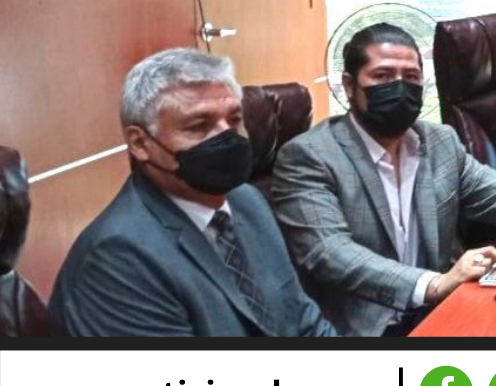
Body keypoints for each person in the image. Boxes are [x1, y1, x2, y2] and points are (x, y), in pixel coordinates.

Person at [272, 23, 496, 337]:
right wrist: (434, 284)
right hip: (369, 327)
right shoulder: (310, 156)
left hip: (445, 308)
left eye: (410, 77)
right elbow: (331, 253)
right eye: (382, 76)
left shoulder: (438, 142)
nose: (399, 87)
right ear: (350, 85)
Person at [50, 49, 336, 336]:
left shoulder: (247, 200)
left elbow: (304, 322)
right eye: (199, 126)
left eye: (234, 120)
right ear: (140, 143)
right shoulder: (117, 258)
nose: (226, 136)